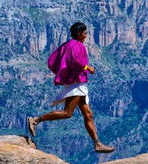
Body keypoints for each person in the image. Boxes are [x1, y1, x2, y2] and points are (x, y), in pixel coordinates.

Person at [27, 22, 115, 153]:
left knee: (88, 115)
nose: (86, 36)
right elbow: (73, 61)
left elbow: (55, 59)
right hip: (76, 83)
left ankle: (97, 144)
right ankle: (36, 120)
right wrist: (87, 67)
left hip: (78, 82)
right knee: (67, 113)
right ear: (79, 33)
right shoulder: (75, 45)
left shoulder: (68, 45)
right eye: (85, 33)